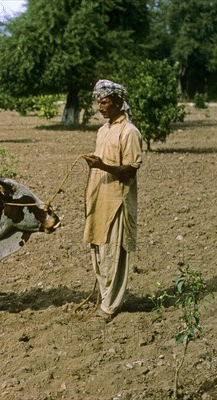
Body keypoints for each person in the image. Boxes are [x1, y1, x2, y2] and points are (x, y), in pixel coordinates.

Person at [82, 79, 142, 321]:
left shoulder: (130, 132)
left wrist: (103, 165)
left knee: (114, 253)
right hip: (99, 199)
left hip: (117, 201)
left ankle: (110, 306)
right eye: (99, 102)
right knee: (99, 250)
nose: (100, 107)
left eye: (105, 102)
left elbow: (130, 171)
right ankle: (104, 296)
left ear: (118, 103)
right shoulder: (103, 131)